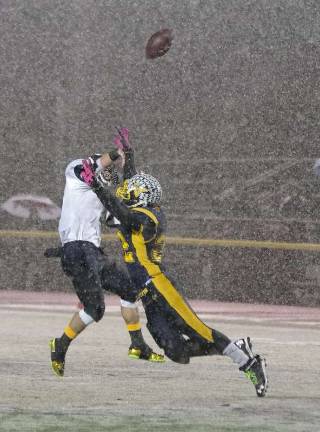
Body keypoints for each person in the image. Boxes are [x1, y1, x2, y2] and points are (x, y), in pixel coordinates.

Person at [80, 129, 268, 397]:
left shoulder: (148, 216)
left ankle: (248, 363)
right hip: (146, 292)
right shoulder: (142, 203)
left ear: (142, 197)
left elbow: (124, 212)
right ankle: (236, 346)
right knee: (175, 352)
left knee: (199, 330)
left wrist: (97, 186)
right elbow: (131, 184)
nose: (126, 193)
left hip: (159, 284)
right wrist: (129, 155)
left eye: (133, 193)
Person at [49, 141, 164, 378]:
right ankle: (61, 345)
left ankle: (136, 345)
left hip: (89, 252)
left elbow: (117, 212)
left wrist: (128, 158)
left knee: (127, 293)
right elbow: (91, 167)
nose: (109, 176)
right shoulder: (75, 172)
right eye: (106, 170)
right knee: (98, 307)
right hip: (77, 250)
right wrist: (115, 155)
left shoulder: (99, 192)